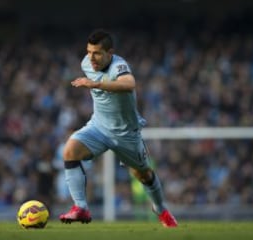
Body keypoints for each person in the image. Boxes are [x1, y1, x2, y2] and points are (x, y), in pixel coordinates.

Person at [59, 29, 178, 227]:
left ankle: (161, 209)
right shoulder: (86, 63)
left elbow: (129, 84)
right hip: (99, 127)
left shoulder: (119, 65)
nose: (91, 57)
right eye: (89, 52)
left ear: (109, 53)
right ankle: (80, 208)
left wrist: (96, 84)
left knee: (143, 174)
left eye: (97, 53)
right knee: (70, 151)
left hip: (126, 134)